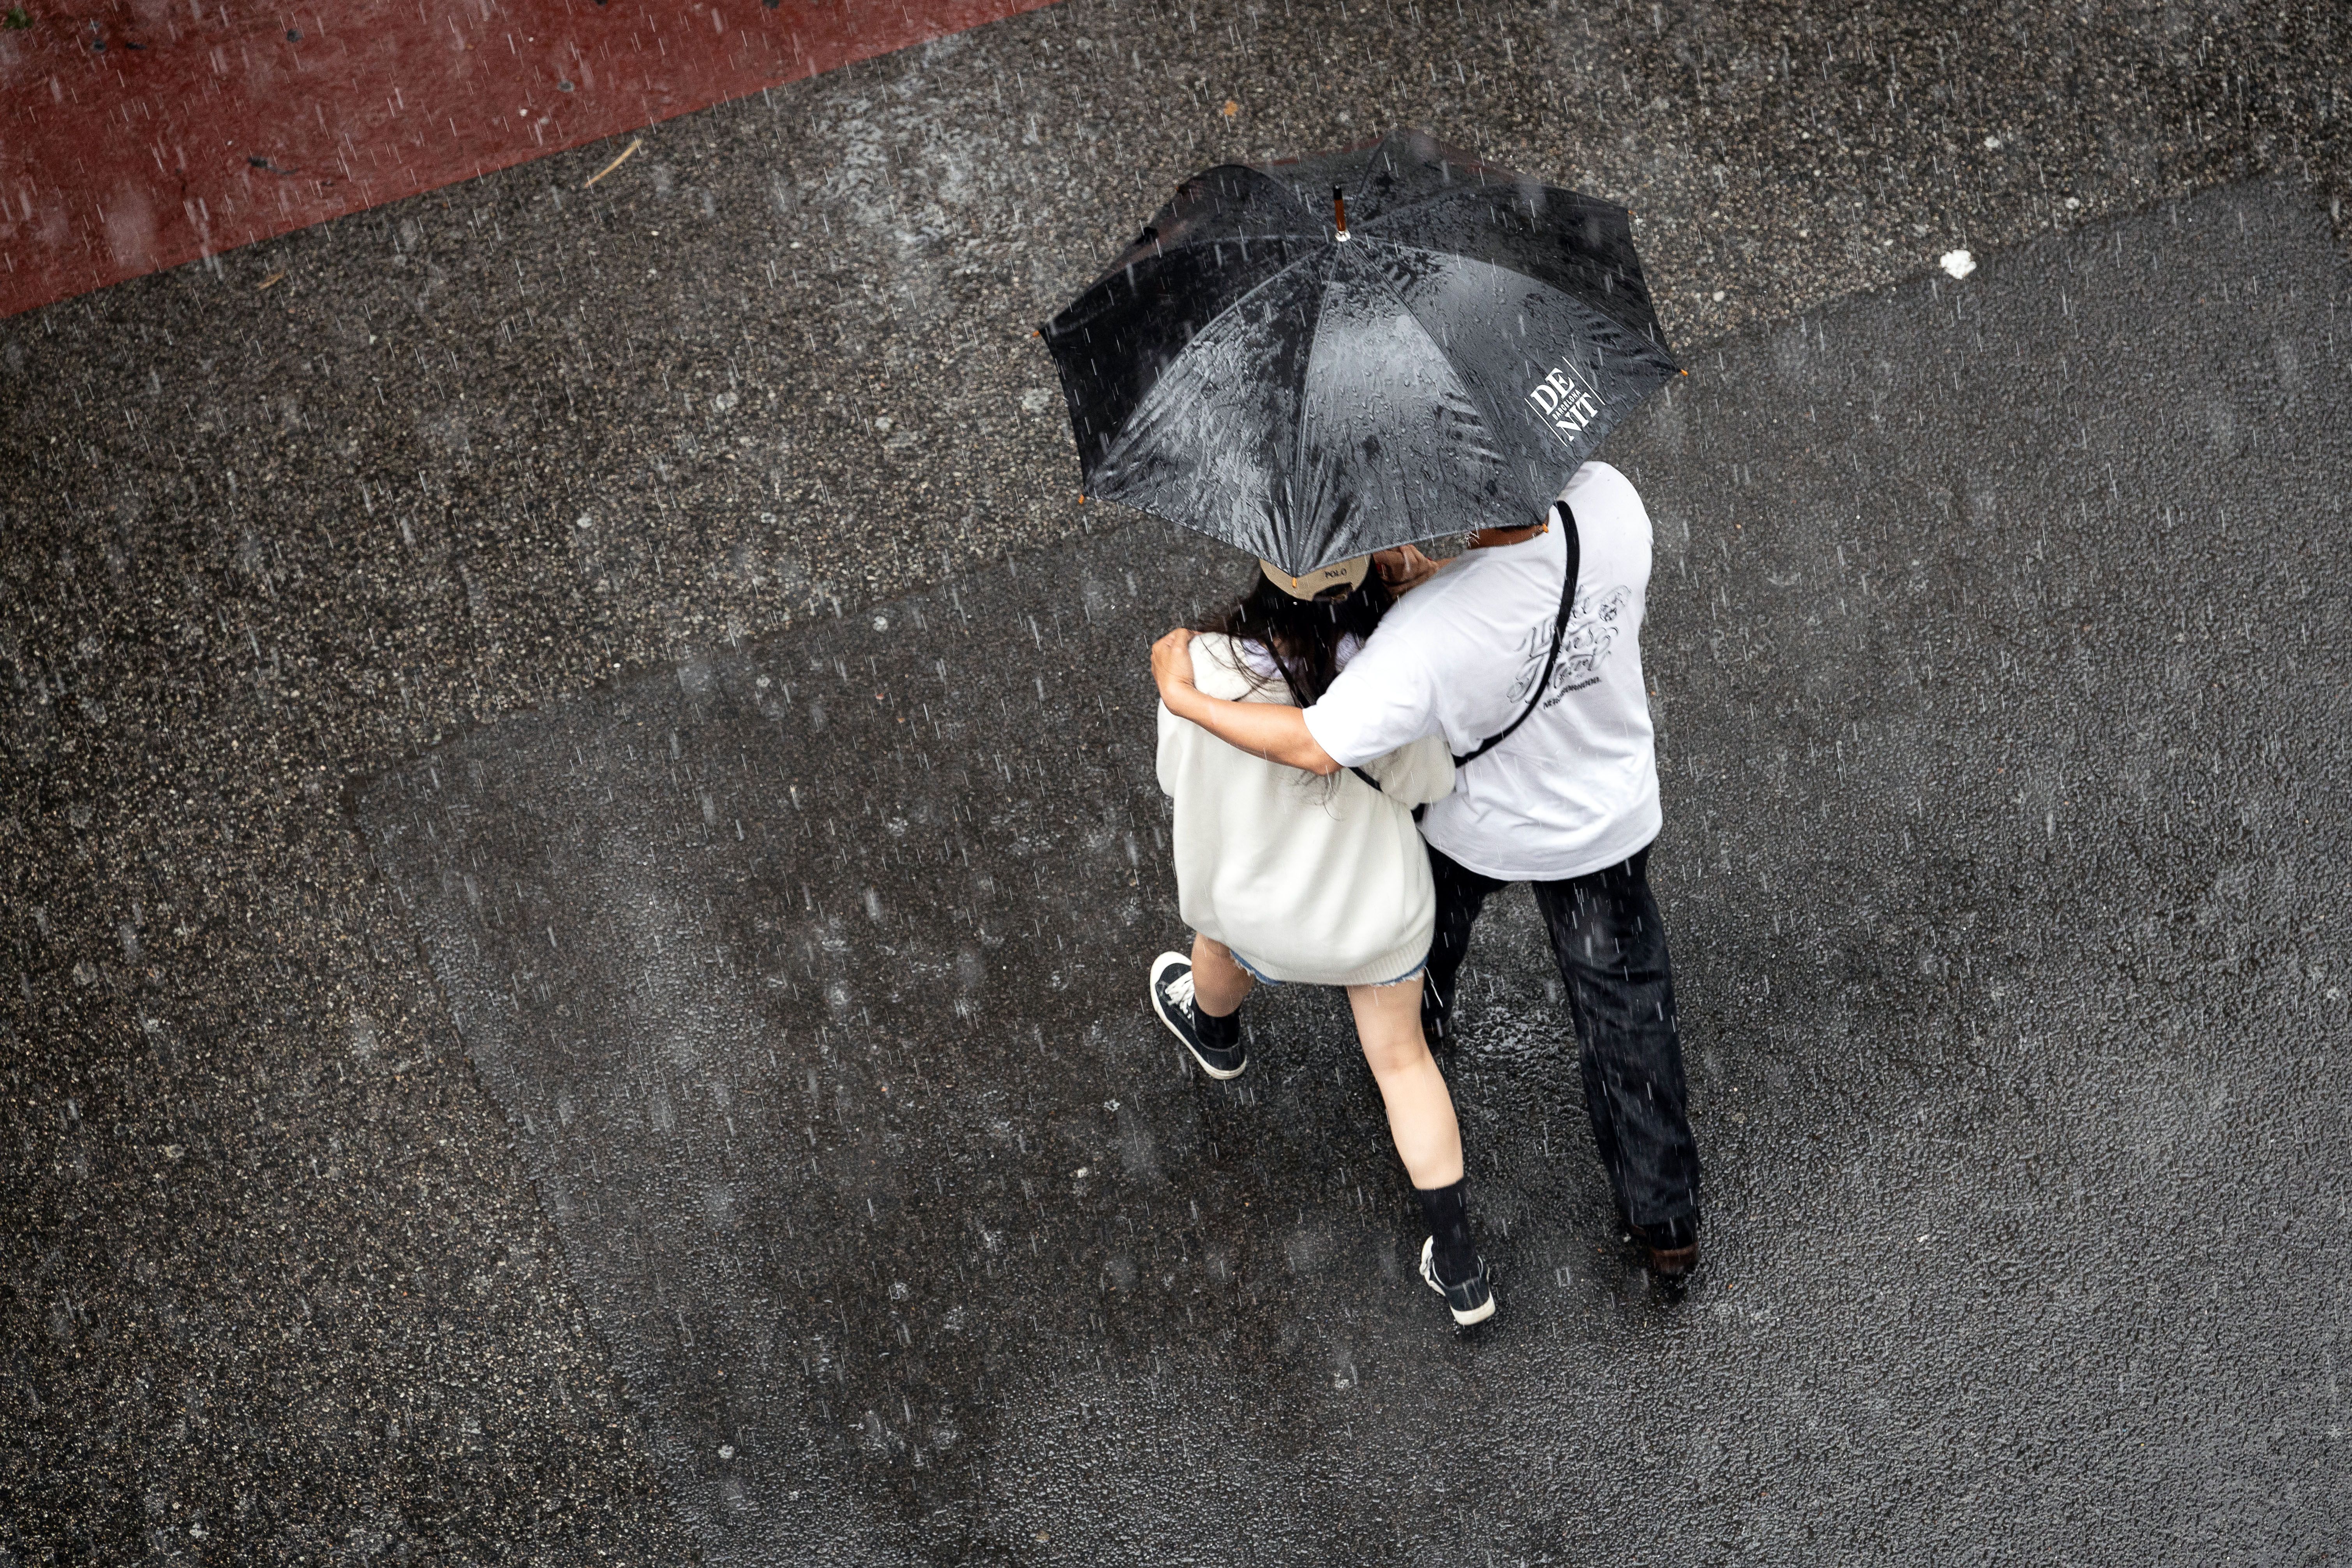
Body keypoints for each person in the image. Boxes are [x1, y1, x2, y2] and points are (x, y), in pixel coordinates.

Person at [1149, 460, 1703, 1278]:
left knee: (1425, 959)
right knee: (1627, 1020)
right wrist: (1436, 575)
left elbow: (1314, 744)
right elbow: (1528, 598)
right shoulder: (1611, 502)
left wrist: (1187, 696)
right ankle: (1665, 1225)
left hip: (1478, 831)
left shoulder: (1425, 635)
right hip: (1607, 822)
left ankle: (1418, 1055)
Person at [1148, 552, 1496, 1326]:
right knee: (1403, 1063)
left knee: (1217, 945)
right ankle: (1462, 1267)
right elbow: (1426, 786)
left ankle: (1217, 1036)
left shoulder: (1200, 663)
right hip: (1369, 918)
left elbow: (1179, 779)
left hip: (1253, 905)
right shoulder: (1390, 672)